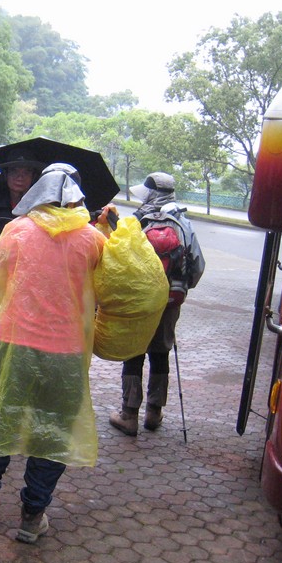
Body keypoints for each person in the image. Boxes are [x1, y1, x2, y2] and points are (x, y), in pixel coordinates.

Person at [0, 163, 109, 543]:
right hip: (67, 353)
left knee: (0, 419)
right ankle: (32, 515)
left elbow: (1, 278)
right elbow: (105, 286)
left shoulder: (17, 231)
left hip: (15, 344)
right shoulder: (94, 239)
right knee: (54, 431)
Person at [109, 172, 205, 436]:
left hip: (139, 301)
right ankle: (154, 412)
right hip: (170, 302)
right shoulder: (183, 223)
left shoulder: (136, 221)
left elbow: (120, 260)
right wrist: (179, 288)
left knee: (134, 351)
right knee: (160, 352)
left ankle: (129, 414)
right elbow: (197, 266)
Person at [0, 148, 46, 351]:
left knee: (20, 339)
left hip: (29, 284)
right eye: (15, 171)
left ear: (34, 177)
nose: (19, 177)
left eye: (25, 172)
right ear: (6, 175)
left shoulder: (41, 206)